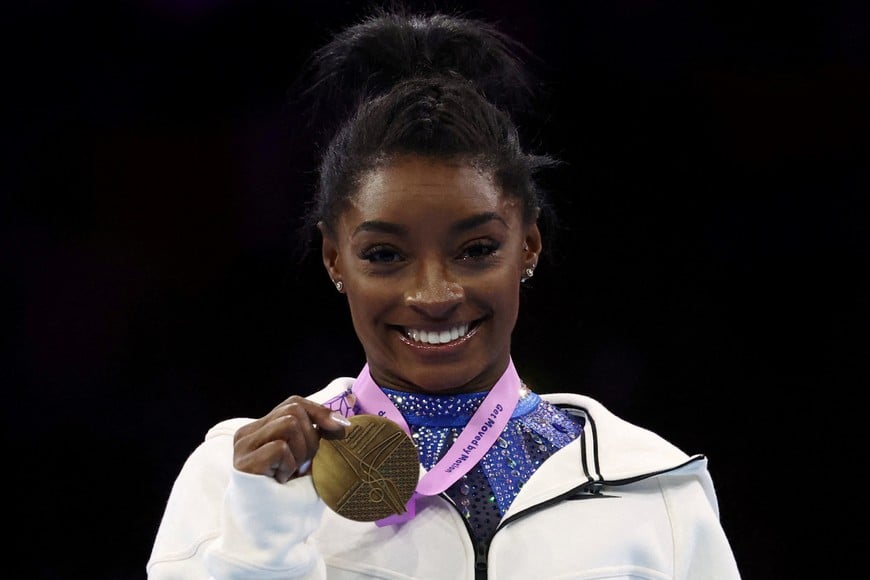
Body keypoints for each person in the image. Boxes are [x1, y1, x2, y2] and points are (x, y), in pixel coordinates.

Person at [147, 6, 741, 579]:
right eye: (385, 255)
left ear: (528, 245)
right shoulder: (235, 480)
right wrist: (263, 541)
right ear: (335, 258)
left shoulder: (654, 488)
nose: (434, 293)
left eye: (476, 249)